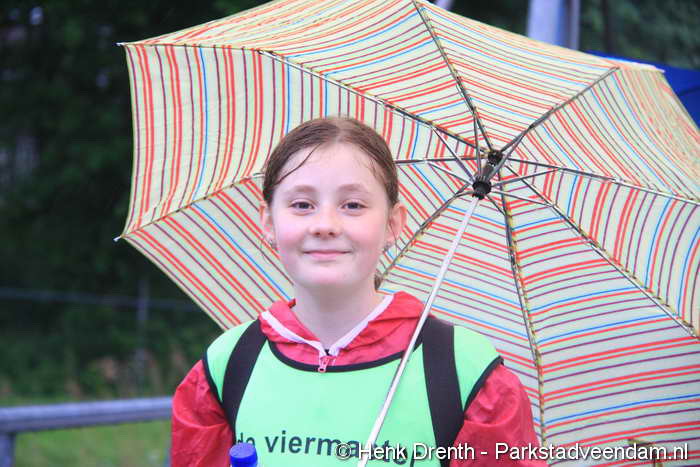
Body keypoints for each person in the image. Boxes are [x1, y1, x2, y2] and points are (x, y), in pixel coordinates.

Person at [171, 117, 543, 466]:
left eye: (353, 205)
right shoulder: (224, 367)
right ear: (268, 221)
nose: (325, 225)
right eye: (302, 205)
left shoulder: (467, 375)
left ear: (392, 224)